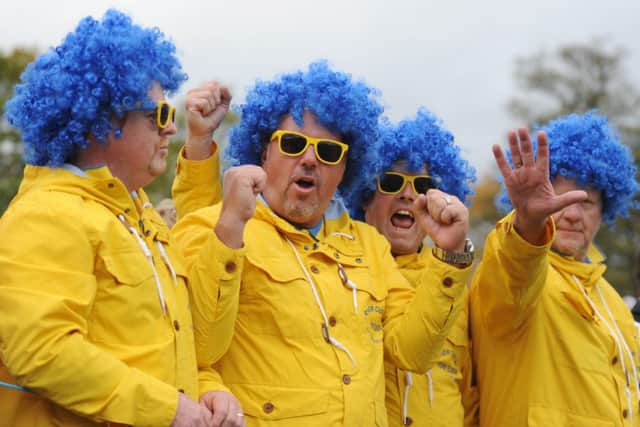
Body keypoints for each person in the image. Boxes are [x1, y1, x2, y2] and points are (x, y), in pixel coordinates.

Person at [172, 61, 474, 426]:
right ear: (265, 150)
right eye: (294, 143)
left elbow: (413, 353)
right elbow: (199, 349)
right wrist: (232, 224)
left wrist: (451, 256)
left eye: (330, 152)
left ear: (347, 168)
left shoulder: (369, 245)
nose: (311, 159)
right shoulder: (212, 226)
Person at [0, 10, 245, 427]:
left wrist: (207, 387)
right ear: (101, 122)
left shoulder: (143, 220)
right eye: (158, 115)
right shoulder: (44, 216)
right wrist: (168, 410)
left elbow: (169, 345)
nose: (171, 129)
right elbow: (41, 351)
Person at [470, 112, 640, 426]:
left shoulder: (614, 302)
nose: (573, 214)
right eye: (558, 198)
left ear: (605, 210)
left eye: (586, 202)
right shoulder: (515, 269)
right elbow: (515, 267)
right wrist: (528, 224)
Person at [343, 109, 478, 426]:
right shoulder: (337, 271)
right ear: (364, 195)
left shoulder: (456, 282)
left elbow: (470, 394)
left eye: (422, 184)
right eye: (391, 182)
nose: (407, 193)